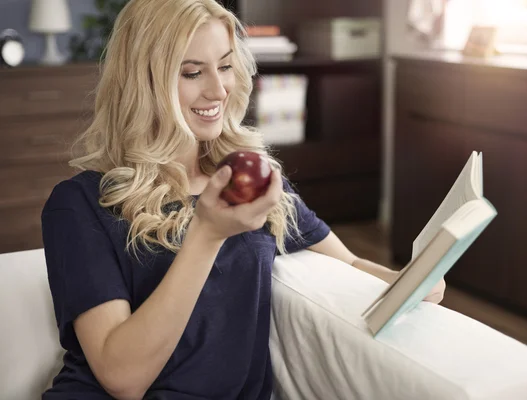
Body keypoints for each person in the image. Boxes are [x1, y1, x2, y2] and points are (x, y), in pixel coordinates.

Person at [41, 0, 446, 399]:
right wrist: (206, 235)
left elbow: (351, 264)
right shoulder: (79, 205)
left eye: (225, 65)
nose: (218, 89)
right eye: (192, 72)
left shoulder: (252, 181)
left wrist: (412, 281)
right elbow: (122, 378)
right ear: (143, 83)